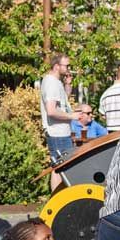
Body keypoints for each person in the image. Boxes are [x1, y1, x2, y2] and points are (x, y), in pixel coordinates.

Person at [39, 54, 78, 191]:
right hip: (57, 133)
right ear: (56, 66)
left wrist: (67, 86)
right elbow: (51, 110)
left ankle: (58, 199)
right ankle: (57, 200)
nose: (69, 69)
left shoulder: (56, 82)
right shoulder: (51, 82)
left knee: (61, 167)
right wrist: (72, 115)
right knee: (60, 168)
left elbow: (61, 104)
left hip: (61, 132)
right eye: (66, 66)